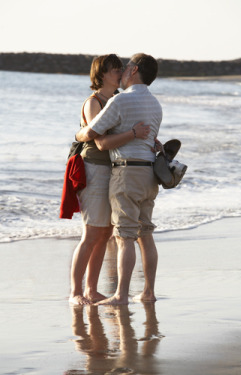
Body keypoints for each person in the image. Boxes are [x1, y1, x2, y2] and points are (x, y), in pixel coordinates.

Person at [76, 53, 162, 305]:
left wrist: (79, 134)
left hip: (127, 172)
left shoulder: (119, 101)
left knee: (124, 236)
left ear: (134, 70)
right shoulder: (156, 104)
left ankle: (121, 295)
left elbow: (94, 136)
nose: (122, 72)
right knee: (145, 234)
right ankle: (148, 292)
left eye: (125, 68)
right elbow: (151, 139)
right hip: (150, 175)